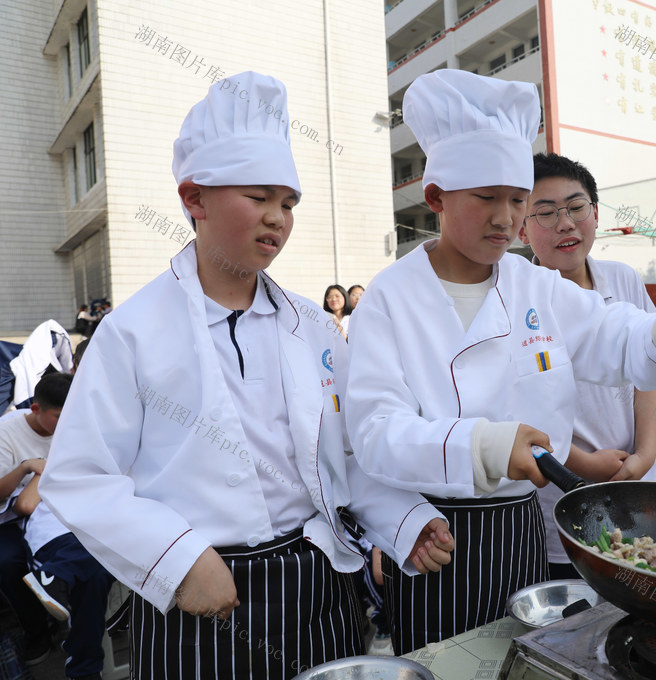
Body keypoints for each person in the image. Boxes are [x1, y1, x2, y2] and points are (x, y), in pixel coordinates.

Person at [38, 72, 453, 679]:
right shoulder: (133, 332)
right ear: (194, 199)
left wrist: (404, 520)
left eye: (288, 203)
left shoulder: (313, 327)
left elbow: (348, 453)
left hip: (316, 580)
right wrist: (179, 559)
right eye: (258, 197)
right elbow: (79, 476)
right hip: (200, 595)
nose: (277, 218)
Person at [345, 69, 656, 654]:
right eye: (486, 198)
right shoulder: (390, 297)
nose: (505, 217)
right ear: (436, 198)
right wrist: (482, 446)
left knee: (530, 657)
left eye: (516, 200)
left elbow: (613, 332)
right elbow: (373, 431)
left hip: (522, 527)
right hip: (435, 532)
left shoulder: (532, 285)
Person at [518, 152, 656, 580]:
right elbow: (517, 406)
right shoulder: (515, 300)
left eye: (576, 207)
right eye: (546, 213)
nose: (565, 224)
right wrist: (582, 463)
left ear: (595, 214)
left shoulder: (624, 278)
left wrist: (645, 453)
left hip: (639, 484)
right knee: (577, 599)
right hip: (563, 494)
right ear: (522, 228)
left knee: (651, 576)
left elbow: (648, 370)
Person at [0, 372, 73, 667]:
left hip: (54, 506)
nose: (66, 422)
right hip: (9, 517)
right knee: (9, 561)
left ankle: (72, 615)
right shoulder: (7, 431)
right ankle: (37, 631)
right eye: (59, 416)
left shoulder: (73, 426)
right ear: (35, 409)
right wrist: (25, 467)